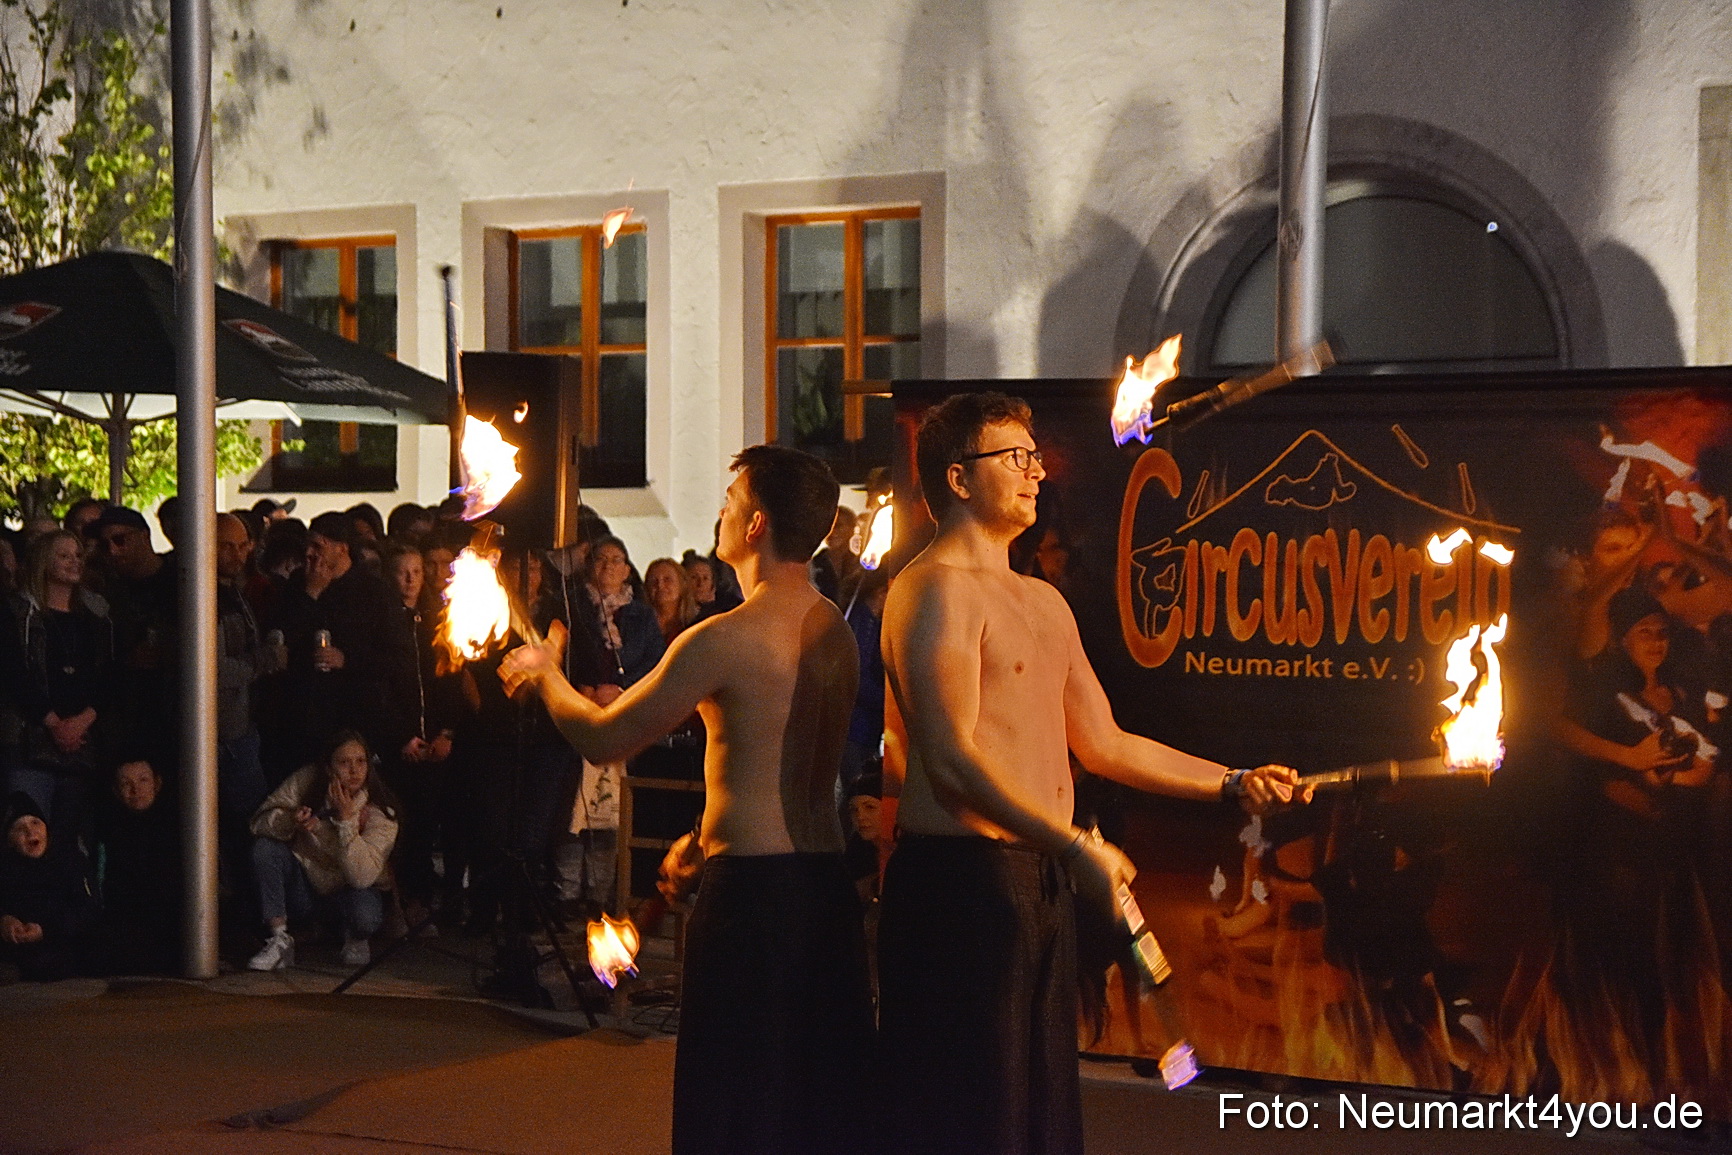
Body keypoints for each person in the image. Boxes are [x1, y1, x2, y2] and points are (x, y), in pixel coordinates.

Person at [877, 392, 1305, 1155]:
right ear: (957, 478)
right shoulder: (933, 588)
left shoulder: (1043, 601)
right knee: (964, 1118)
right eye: (1014, 457)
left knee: (1033, 1115)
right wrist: (1075, 844)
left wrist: (1232, 780)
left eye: (1034, 456)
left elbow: (1105, 741)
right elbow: (947, 761)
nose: (1035, 471)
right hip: (961, 888)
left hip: (1036, 881)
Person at [501, 444, 874, 1155]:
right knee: (812, 1105)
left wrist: (547, 675)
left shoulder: (724, 638)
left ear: (757, 522)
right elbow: (781, 757)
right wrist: (704, 835)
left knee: (738, 1104)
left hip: (754, 903)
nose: (720, 513)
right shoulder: (835, 632)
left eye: (731, 502)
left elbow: (606, 737)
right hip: (824, 892)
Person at [247, 728, 401, 970]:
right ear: (329, 768)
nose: (354, 771)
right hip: (308, 888)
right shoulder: (308, 780)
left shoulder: (379, 809)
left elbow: (362, 876)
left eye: (361, 762)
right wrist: (291, 822)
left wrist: (347, 821)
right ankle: (279, 938)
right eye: (344, 762)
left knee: (365, 916)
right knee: (266, 849)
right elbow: (259, 823)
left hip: (351, 891)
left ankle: (354, 937)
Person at [2, 530, 115, 838]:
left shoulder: (96, 615)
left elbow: (108, 674)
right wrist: (52, 722)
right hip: (29, 740)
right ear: (44, 562)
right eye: (64, 556)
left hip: (83, 741)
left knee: (71, 838)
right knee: (28, 835)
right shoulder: (18, 614)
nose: (74, 562)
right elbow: (14, 672)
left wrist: (83, 720)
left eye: (78, 555)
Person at [0, 791, 100, 980]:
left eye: (35, 823)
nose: (30, 832)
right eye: (19, 828)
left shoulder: (70, 860)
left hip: (62, 940)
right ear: (9, 841)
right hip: (18, 945)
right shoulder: (6, 868)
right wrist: (4, 921)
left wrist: (45, 930)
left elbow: (88, 910)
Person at [95, 757, 181, 973]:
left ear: (157, 783)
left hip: (168, 921)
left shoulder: (177, 826)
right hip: (126, 919)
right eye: (126, 784)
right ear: (116, 790)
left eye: (143, 780)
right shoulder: (108, 830)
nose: (136, 789)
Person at [644, 557, 700, 645]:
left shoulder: (697, 623)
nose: (660, 586)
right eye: (654, 581)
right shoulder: (640, 624)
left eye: (667, 580)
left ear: (682, 584)